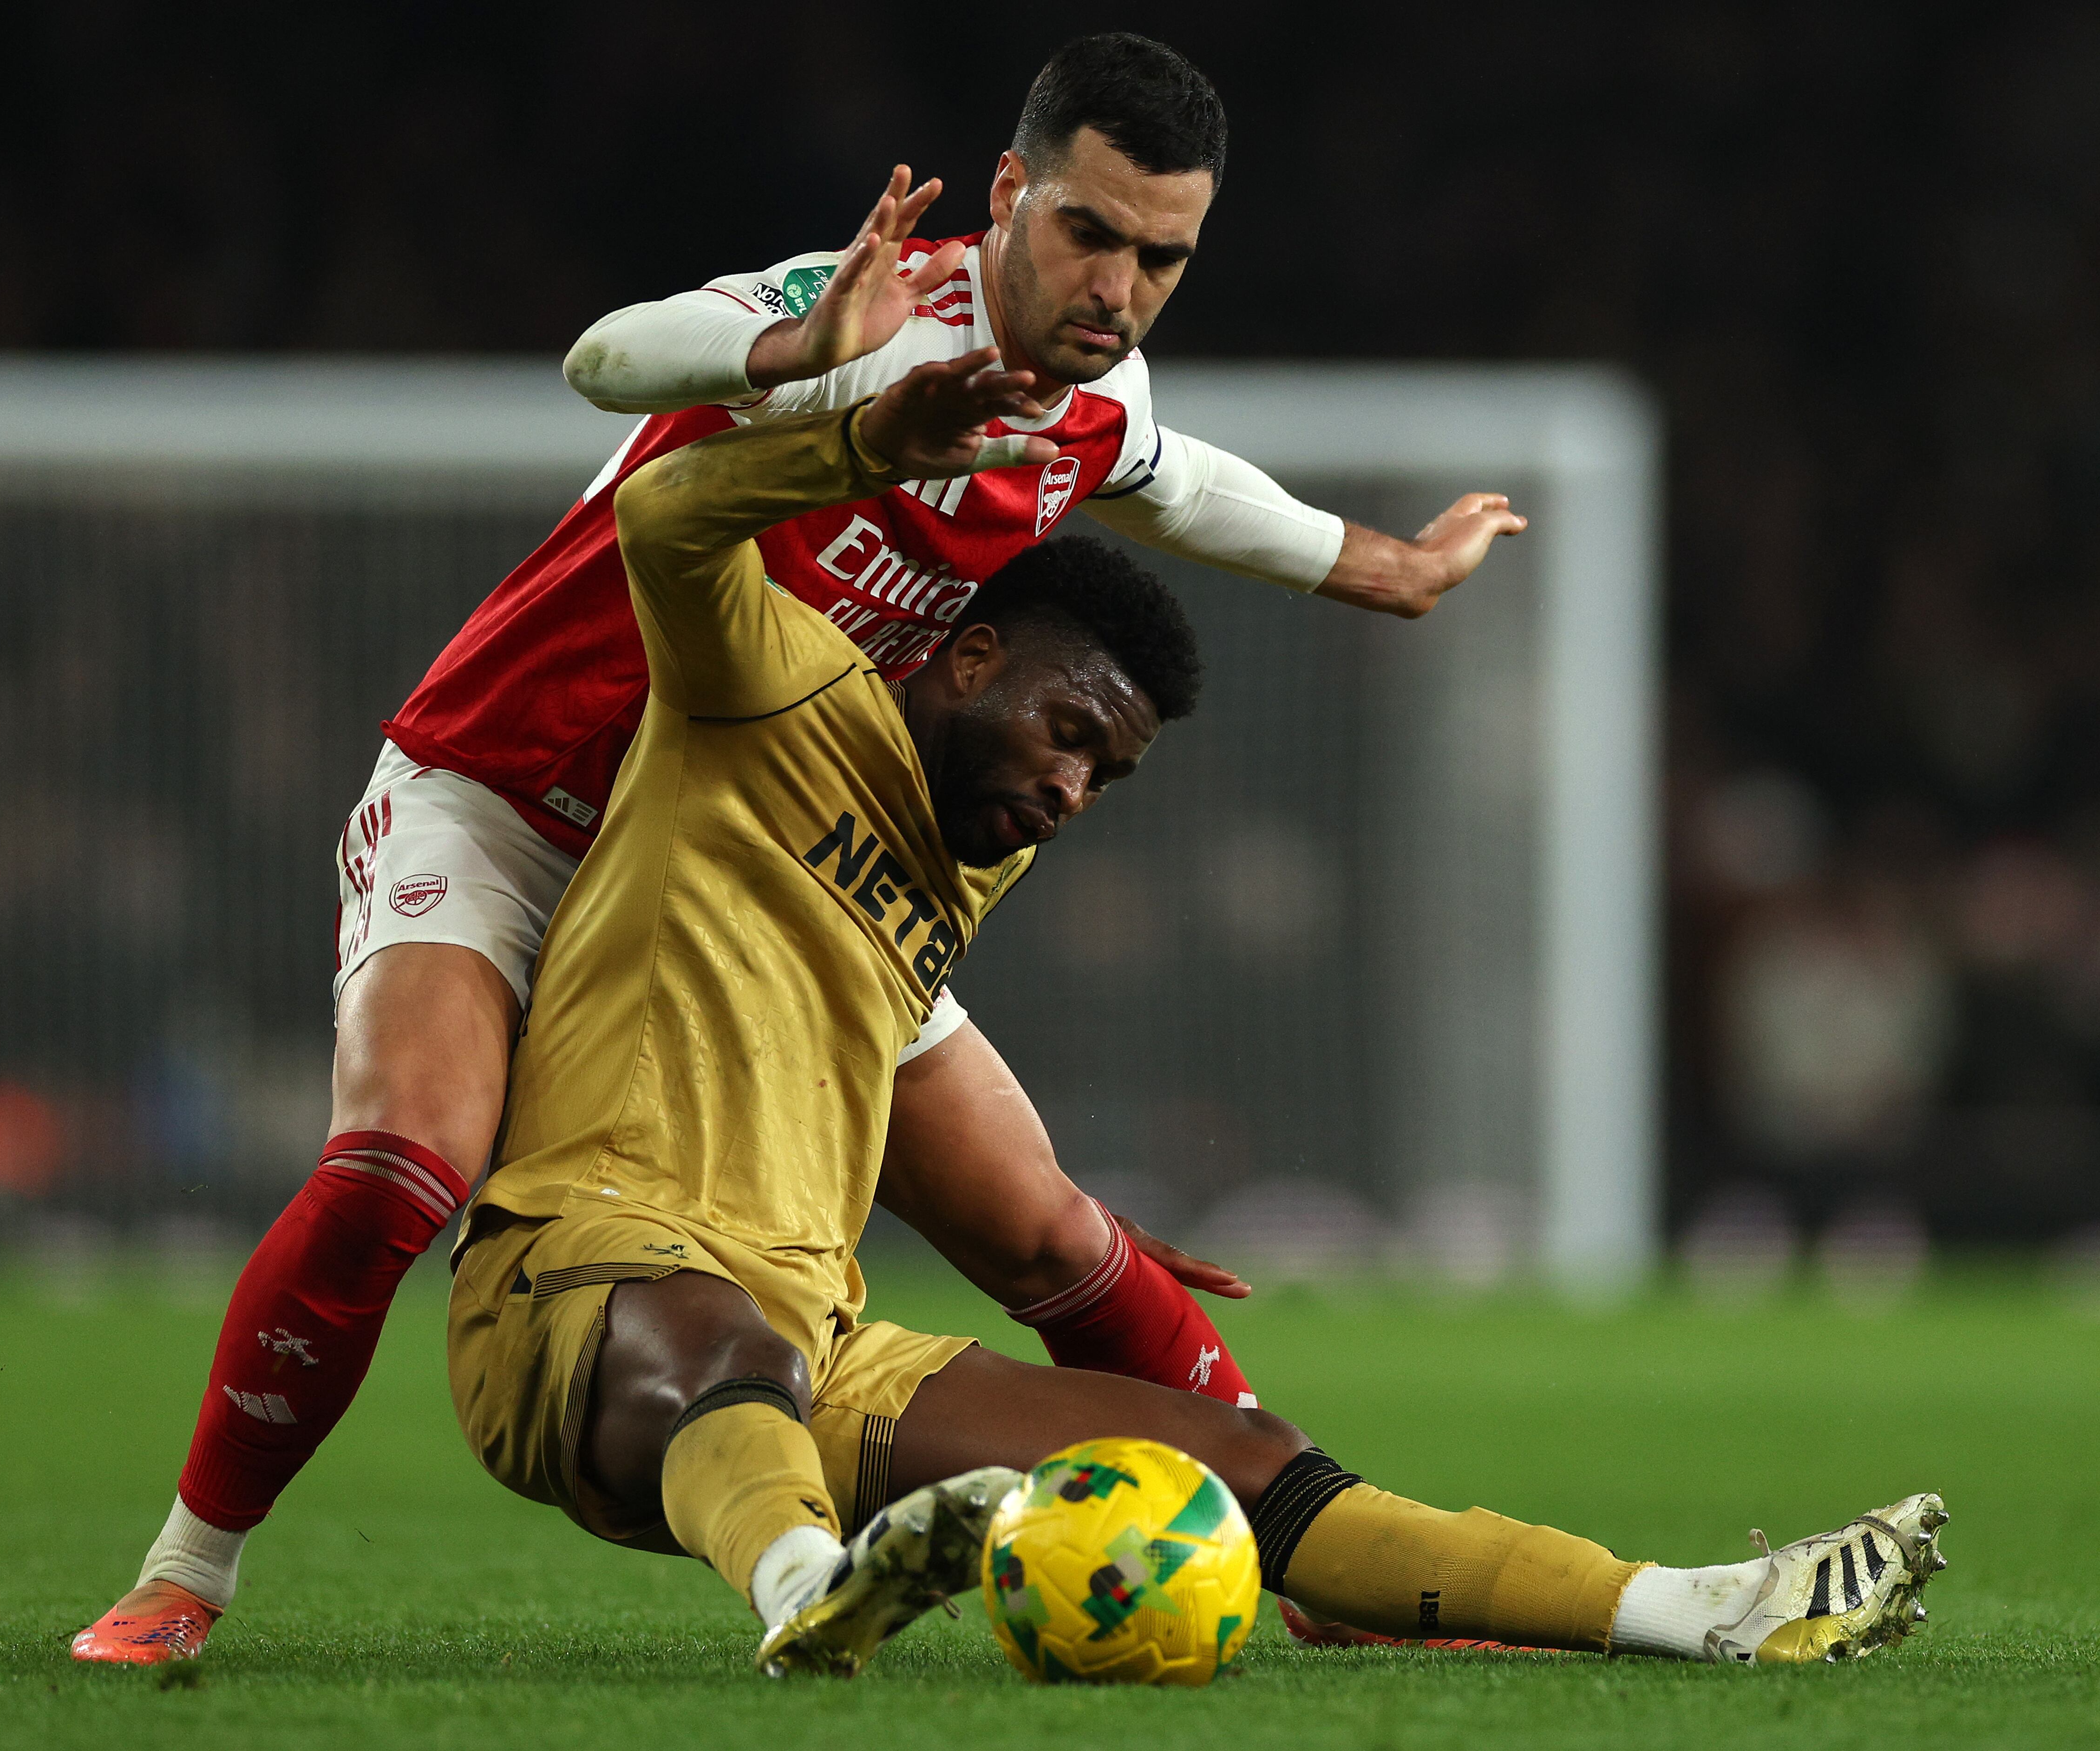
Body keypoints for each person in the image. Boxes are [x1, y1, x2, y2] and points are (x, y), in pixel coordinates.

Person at [75, 31, 1529, 1664]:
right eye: (1090, 233)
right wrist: (792, 349)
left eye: (1163, 257)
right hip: (517, 795)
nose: (1121, 286)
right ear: (1010, 192)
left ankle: (1307, 1554)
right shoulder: (871, 314)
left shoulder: (1092, 398)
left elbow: (1174, 481)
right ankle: (185, 1572)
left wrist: (1386, 568)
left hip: (753, 859)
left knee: (1053, 1231)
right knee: (407, 1159)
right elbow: (607, 356)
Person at [445, 348, 1946, 1678]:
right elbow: (663, 512)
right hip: (578, 1282)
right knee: (729, 1347)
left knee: (1246, 1462)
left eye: (1104, 775)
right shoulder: (765, 689)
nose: (1069, 790)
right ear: (969, 653)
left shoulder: (976, 848)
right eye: (1064, 733)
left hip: (817, 1345)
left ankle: (1703, 1606)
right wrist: (865, 441)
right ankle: (808, 1591)